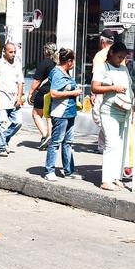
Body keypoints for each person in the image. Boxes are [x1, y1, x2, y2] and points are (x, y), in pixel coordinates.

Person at [91, 41, 132, 191]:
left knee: (121, 145)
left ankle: (116, 177)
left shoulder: (123, 68)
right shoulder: (103, 67)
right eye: (119, 57)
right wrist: (113, 88)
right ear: (112, 53)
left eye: (124, 58)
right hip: (109, 110)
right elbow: (94, 87)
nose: (121, 60)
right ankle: (106, 180)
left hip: (125, 110)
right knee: (111, 144)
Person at [43, 48, 84, 181]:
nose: (74, 64)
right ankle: (49, 170)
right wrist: (73, 93)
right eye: (73, 61)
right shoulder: (57, 73)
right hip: (60, 113)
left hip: (70, 112)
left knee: (68, 143)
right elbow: (54, 93)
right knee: (56, 143)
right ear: (69, 61)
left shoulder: (65, 72)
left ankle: (69, 171)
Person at [0, 41, 25, 157]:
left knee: (18, 122)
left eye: (14, 52)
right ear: (4, 52)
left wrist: (19, 97)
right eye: (11, 52)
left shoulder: (17, 64)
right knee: (2, 123)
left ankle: (4, 139)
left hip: (14, 98)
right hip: (2, 97)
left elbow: (20, 82)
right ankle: (1, 147)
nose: (13, 54)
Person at [28, 42, 58, 147]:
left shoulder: (45, 63)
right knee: (49, 116)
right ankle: (50, 137)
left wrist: (31, 92)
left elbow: (37, 80)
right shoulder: (57, 64)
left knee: (36, 114)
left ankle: (45, 135)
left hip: (44, 92)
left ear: (45, 51)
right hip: (54, 92)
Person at [89, 30, 115, 152]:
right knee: (105, 117)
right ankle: (101, 146)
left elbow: (96, 77)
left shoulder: (100, 55)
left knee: (99, 118)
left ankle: (110, 141)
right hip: (115, 90)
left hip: (102, 91)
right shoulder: (118, 54)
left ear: (102, 41)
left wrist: (93, 93)